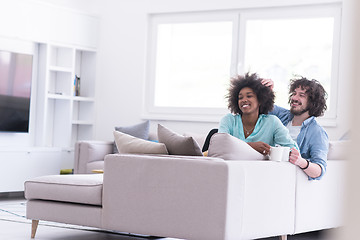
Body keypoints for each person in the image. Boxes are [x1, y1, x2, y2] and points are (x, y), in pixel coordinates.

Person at [262, 77, 328, 180]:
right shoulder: (282, 115)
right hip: (266, 170)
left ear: (312, 102)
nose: (294, 98)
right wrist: (267, 91)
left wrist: (301, 162)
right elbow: (262, 106)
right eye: (294, 93)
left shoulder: (317, 132)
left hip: (287, 178)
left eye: (301, 95)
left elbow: (319, 171)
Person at [218, 72, 298, 157]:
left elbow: (292, 149)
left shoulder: (272, 122)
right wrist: (251, 146)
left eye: (249, 96)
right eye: (240, 97)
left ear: (260, 100)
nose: (244, 100)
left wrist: (273, 151)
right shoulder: (229, 120)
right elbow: (220, 147)